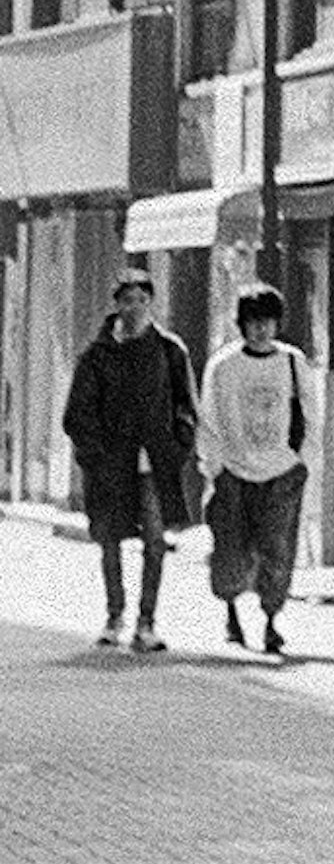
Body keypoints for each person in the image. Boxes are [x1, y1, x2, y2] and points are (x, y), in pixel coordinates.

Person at [64, 262, 197, 656]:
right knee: (110, 538)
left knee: (155, 541)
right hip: (111, 463)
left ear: (152, 303)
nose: (136, 307)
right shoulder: (97, 356)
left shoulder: (170, 351)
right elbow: (77, 413)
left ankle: (147, 620)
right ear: (117, 305)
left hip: (153, 462)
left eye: (142, 299)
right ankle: (114, 615)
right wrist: (94, 455)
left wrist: (179, 446)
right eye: (128, 300)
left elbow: (185, 404)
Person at [199, 283, 317, 659]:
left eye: (267, 321)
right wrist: (215, 466)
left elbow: (311, 414)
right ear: (241, 324)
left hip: (281, 471)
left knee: (277, 548)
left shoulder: (293, 362)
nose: (260, 329)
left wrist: (302, 462)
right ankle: (231, 609)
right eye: (252, 322)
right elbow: (210, 419)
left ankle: (270, 620)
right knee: (231, 548)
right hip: (233, 471)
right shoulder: (223, 365)